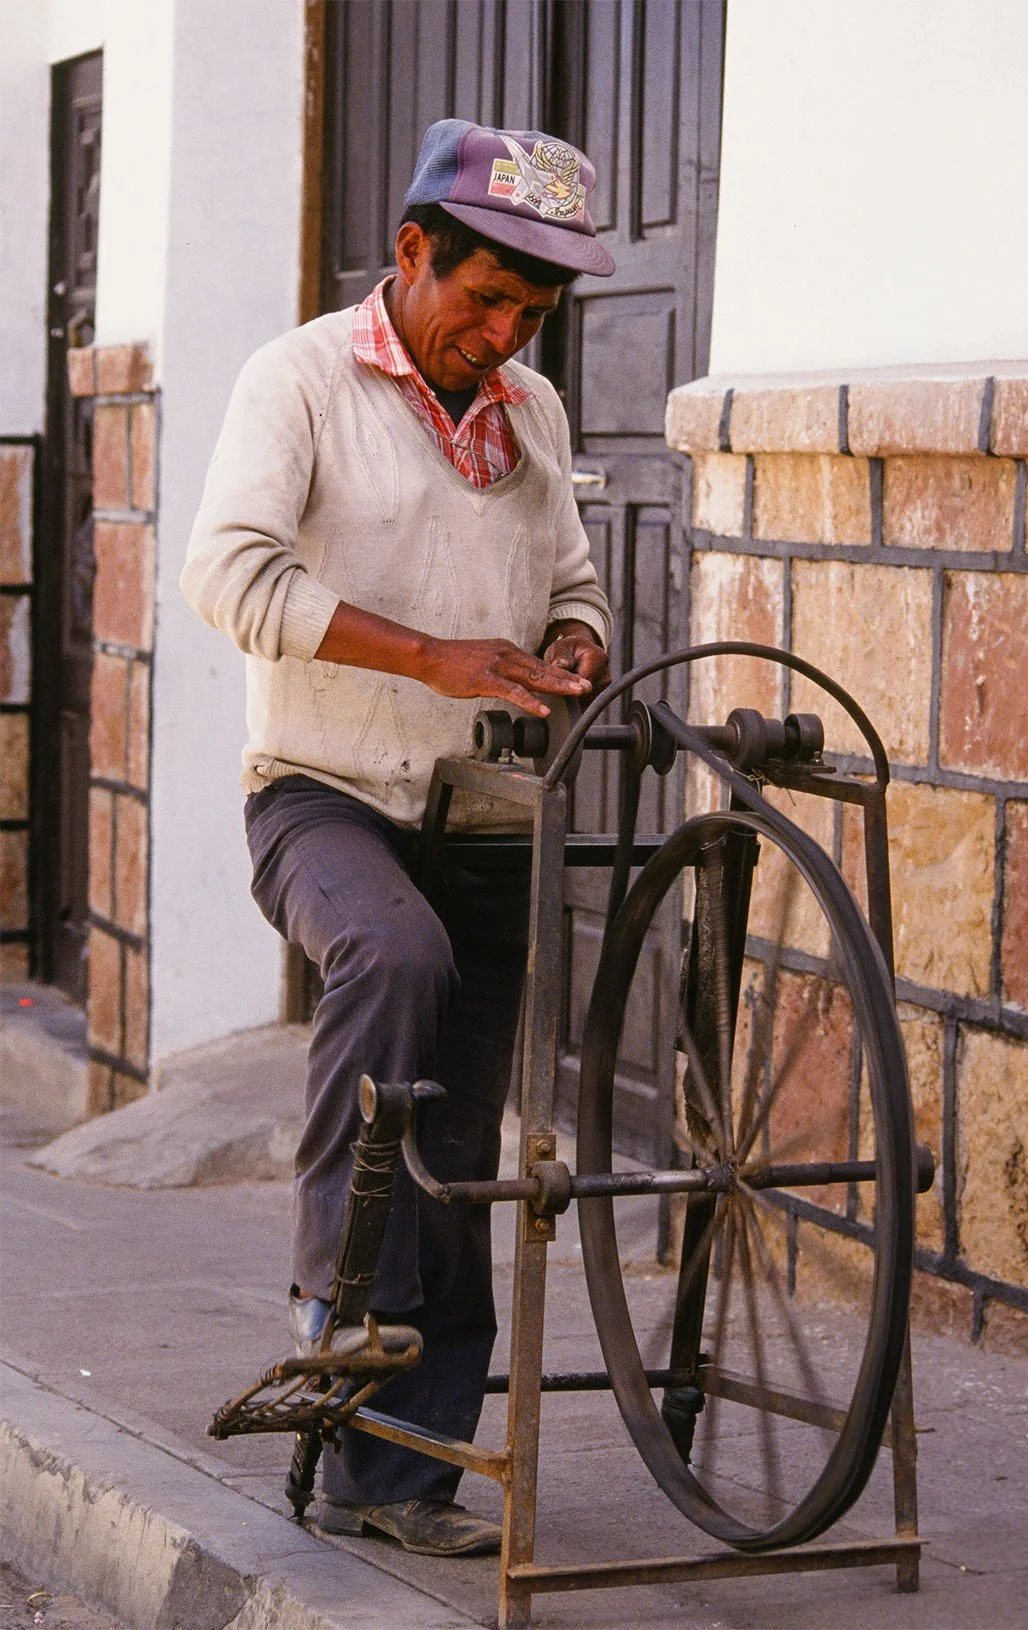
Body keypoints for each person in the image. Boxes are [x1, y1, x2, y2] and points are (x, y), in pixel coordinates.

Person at [181, 118, 615, 1556]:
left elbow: (576, 580)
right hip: (318, 788)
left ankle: (399, 1475)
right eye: (480, 298)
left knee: (457, 1134)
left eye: (530, 313)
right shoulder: (298, 379)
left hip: (478, 807)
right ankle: (332, 1293)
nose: (501, 334)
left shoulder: (533, 417)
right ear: (411, 252)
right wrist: (429, 655)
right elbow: (228, 575)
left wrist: (569, 645)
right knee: (392, 952)